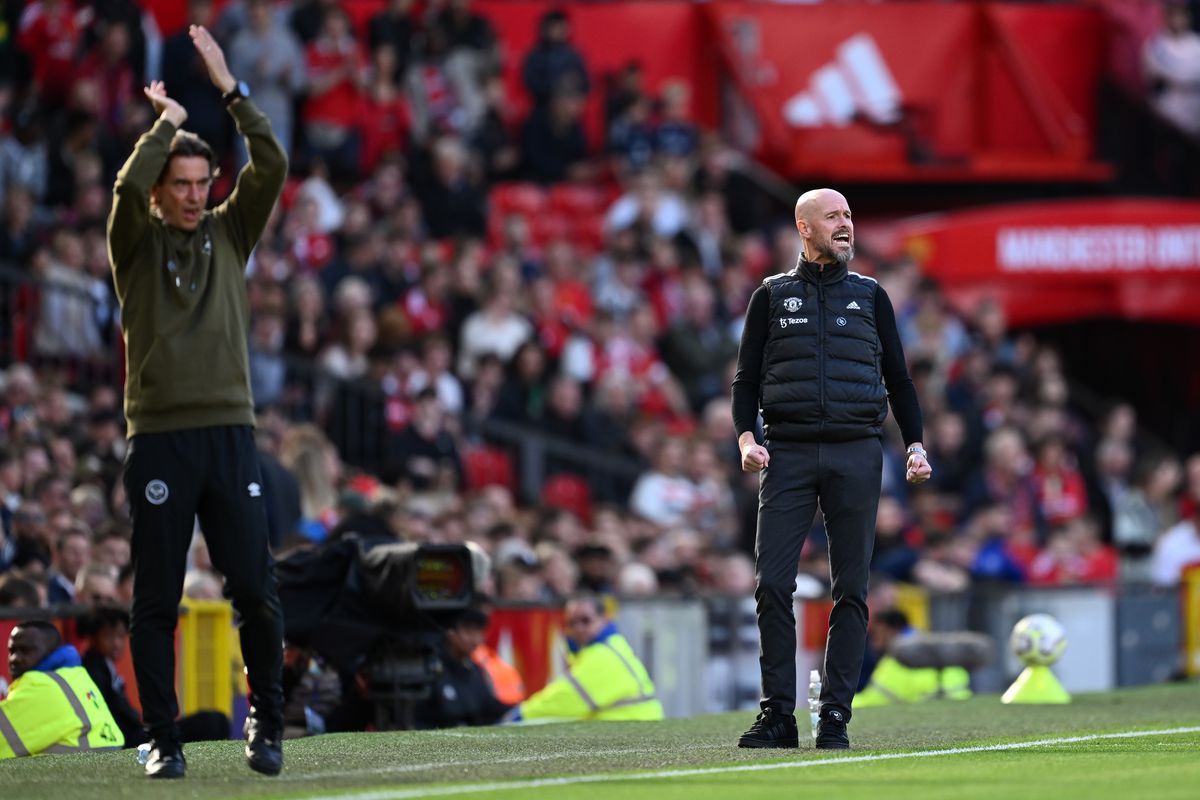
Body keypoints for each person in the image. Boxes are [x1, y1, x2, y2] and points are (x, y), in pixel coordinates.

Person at [106, 25, 288, 778]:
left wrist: (228, 90)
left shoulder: (229, 232)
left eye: (199, 183)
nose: (191, 195)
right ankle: (162, 738)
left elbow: (271, 163)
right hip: (161, 440)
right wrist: (167, 123)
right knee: (156, 599)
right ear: (160, 189)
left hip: (228, 434)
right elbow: (123, 191)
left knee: (255, 588)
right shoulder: (136, 246)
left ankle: (269, 727)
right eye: (177, 184)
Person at [731, 188, 931, 750]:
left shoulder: (871, 296)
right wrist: (747, 438)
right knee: (772, 582)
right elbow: (746, 380)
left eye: (848, 216)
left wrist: (915, 443)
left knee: (852, 588)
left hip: (856, 451)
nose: (846, 225)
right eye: (834, 217)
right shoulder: (770, 296)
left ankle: (836, 716)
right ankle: (778, 715)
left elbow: (900, 380)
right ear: (804, 227)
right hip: (788, 452)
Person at [79, 607, 231, 748]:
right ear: (92, 638)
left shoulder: (105, 666)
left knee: (216, 721)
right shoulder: (92, 670)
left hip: (138, 734)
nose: (116, 643)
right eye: (108, 636)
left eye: (120, 636)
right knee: (211, 723)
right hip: (130, 740)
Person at [511, 594, 663, 722]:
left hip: (636, 733)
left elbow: (565, 698)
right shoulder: (609, 646)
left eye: (585, 620)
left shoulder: (602, 654)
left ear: (604, 619)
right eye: (572, 623)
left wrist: (520, 715)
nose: (579, 628)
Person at [1, 620, 125, 759]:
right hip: (106, 758)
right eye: (12, 651)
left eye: (26, 650)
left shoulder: (39, 684)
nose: (15, 658)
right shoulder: (76, 674)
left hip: (78, 768)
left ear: (51, 651)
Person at [413, 606, 512, 729]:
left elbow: (490, 707)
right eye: (469, 631)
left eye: (479, 632)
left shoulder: (474, 670)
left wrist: (521, 709)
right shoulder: (429, 668)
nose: (475, 640)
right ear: (450, 630)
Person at [853, 608, 971, 708]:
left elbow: (873, 700)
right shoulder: (937, 650)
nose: (873, 641)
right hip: (959, 703)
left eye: (876, 633)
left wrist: (837, 703)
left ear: (892, 631)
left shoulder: (894, 662)